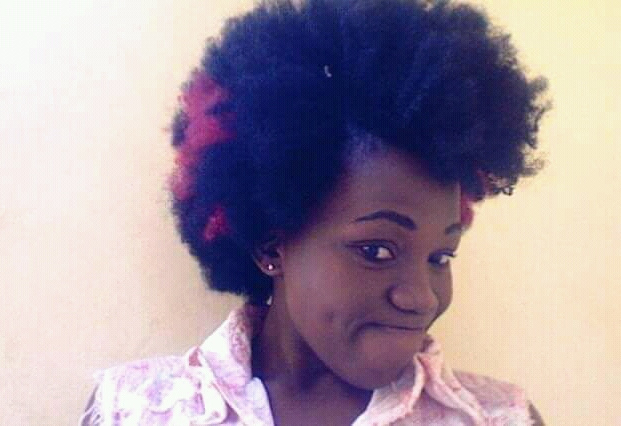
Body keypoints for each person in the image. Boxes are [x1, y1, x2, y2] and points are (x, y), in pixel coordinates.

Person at [80, 0, 549, 424]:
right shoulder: (137, 410)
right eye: (378, 250)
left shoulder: (497, 418)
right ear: (271, 245)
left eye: (440, 257)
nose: (423, 297)